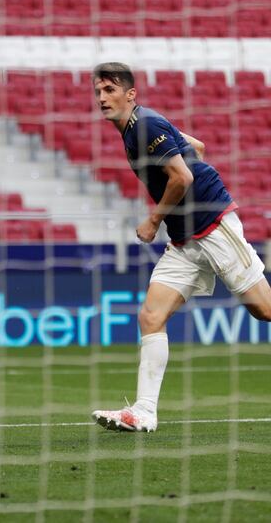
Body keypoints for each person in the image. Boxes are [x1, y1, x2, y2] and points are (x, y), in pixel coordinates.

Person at [90, 62, 271, 432]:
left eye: (109, 90)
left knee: (264, 310)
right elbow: (197, 148)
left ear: (130, 94)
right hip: (185, 239)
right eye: (98, 92)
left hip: (214, 226)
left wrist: (154, 219)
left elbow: (183, 175)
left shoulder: (145, 126)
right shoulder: (135, 128)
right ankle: (144, 412)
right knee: (150, 317)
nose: (101, 98)